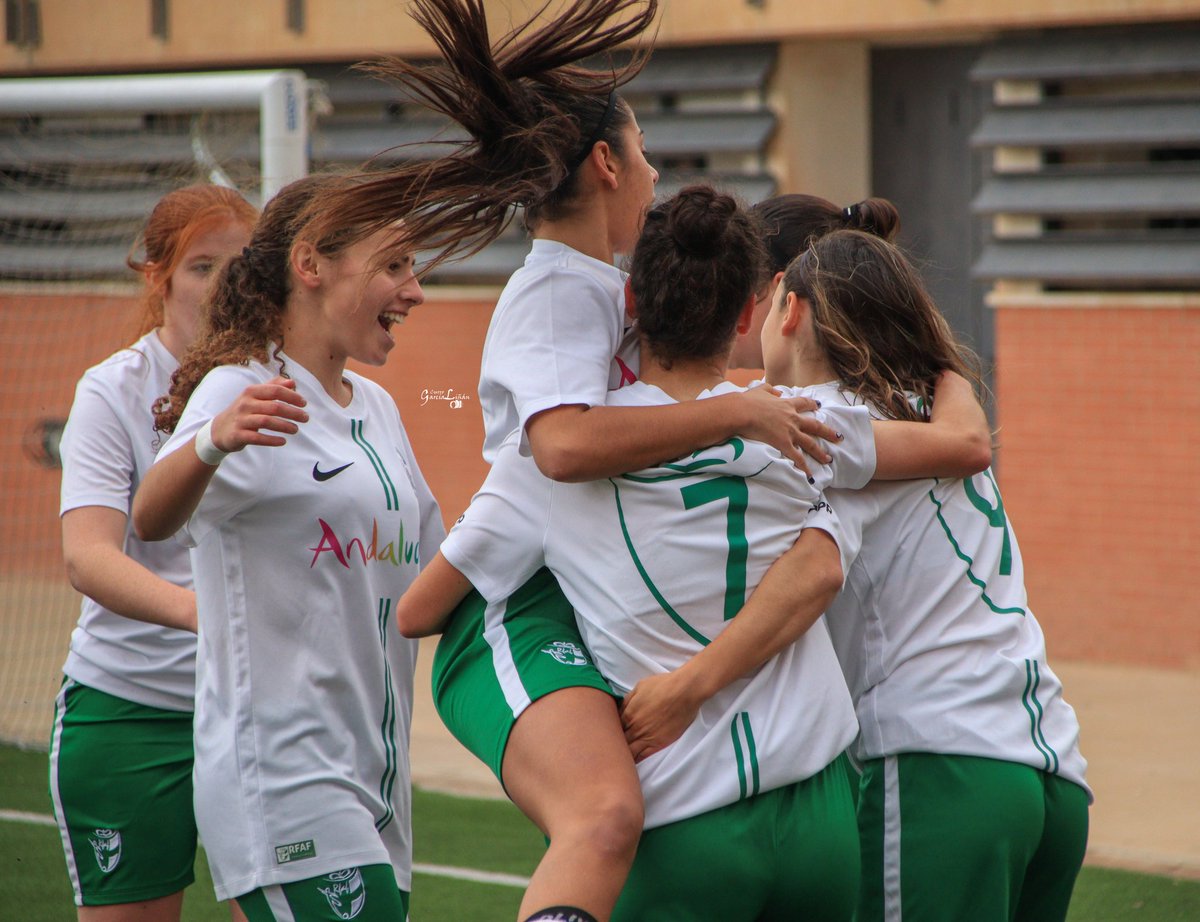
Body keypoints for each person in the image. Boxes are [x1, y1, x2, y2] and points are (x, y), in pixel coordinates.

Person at [304, 3, 874, 921]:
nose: (653, 173)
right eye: (644, 151)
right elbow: (560, 449)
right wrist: (740, 410)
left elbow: (665, 391)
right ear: (607, 163)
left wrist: (776, 404)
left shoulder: (611, 287)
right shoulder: (552, 292)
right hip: (508, 598)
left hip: (557, 564)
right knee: (606, 815)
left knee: (623, 811)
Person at [395, 185, 997, 921]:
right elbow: (935, 466)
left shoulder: (550, 466)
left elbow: (418, 611)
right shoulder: (804, 430)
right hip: (822, 820)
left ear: (632, 308)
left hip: (685, 818)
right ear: (749, 312)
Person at [130, 174, 444, 922]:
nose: (416, 290)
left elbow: (432, 574)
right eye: (395, 264)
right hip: (286, 772)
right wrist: (210, 442)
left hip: (377, 774)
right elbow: (148, 519)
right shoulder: (239, 389)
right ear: (311, 265)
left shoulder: (379, 408)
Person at [759, 228, 1091, 922]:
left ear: (788, 309)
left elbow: (809, 573)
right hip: (1046, 767)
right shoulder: (920, 417)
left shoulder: (829, 421)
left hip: (938, 763)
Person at [50, 184, 256, 922]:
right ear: (158, 277)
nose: (223, 285)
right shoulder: (112, 391)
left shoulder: (288, 386)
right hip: (132, 709)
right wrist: (210, 616)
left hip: (260, 713)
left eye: (239, 265)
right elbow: (90, 559)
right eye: (203, 266)